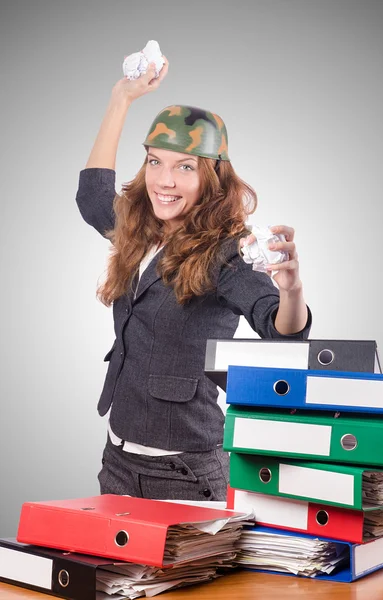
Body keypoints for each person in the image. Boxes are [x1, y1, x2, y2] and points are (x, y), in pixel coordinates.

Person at [76, 57, 312, 501]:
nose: (164, 180)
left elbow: (279, 329)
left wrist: (292, 291)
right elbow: (92, 197)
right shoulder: (138, 229)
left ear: (211, 176)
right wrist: (120, 98)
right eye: (154, 161)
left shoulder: (227, 249)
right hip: (118, 462)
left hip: (186, 471)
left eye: (185, 166)